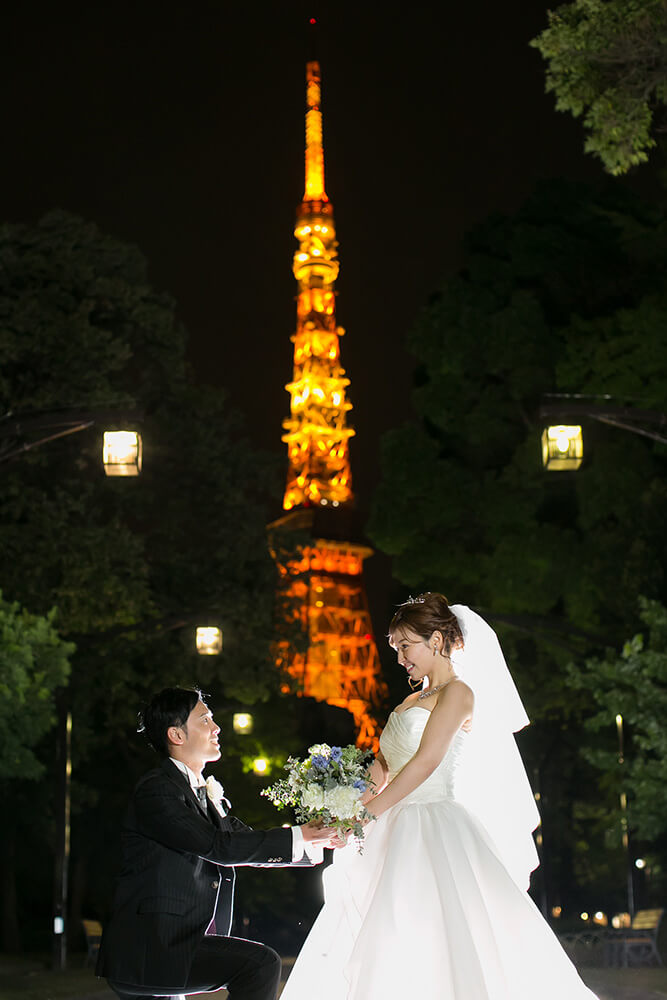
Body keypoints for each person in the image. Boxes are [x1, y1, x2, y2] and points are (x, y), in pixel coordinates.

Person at [280, 593, 599, 1000]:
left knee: (437, 932)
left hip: (432, 824)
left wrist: (369, 814)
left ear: (435, 640)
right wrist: (348, 805)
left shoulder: (459, 694)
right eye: (395, 649)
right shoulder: (408, 702)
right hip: (389, 825)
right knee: (385, 932)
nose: (399, 659)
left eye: (404, 646)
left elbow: (427, 761)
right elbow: (384, 765)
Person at [96, 687, 340, 1000]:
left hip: (172, 946)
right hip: (152, 950)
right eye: (205, 721)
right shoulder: (157, 791)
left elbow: (240, 841)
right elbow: (220, 847)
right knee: (259, 964)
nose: (217, 728)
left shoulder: (200, 794)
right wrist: (302, 835)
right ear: (177, 735)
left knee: (258, 965)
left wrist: (316, 840)